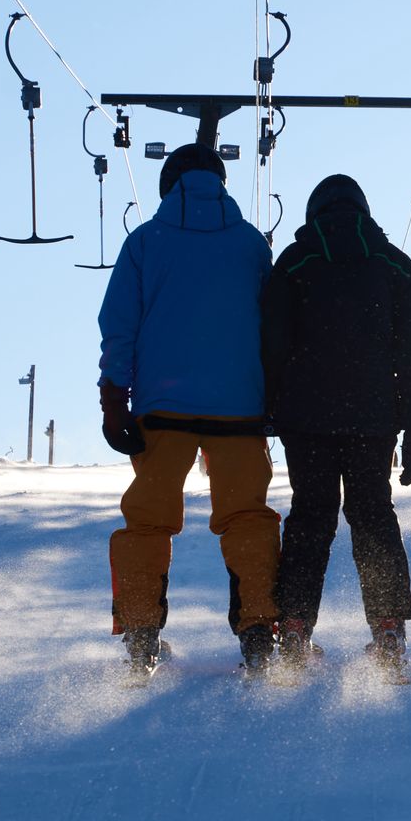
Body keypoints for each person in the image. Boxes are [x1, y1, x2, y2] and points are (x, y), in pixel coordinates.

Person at [98, 142, 282, 676]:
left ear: (168, 185)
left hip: (164, 411)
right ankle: (258, 631)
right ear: (220, 183)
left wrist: (115, 400)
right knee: (247, 516)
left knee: (148, 521)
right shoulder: (250, 244)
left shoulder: (145, 242)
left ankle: (140, 636)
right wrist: (270, 399)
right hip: (240, 412)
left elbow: (120, 328)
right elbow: (270, 328)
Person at [260, 173, 411, 674]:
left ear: (315, 212)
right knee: (373, 515)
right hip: (373, 420)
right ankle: (387, 628)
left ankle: (293, 627)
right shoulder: (394, 266)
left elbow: (272, 345)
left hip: (305, 419)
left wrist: (269, 409)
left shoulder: (294, 264)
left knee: (310, 518)